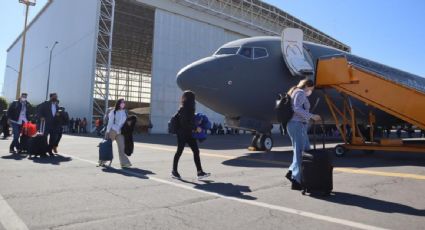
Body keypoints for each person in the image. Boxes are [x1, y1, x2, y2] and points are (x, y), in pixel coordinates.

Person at [285, 79, 321, 190]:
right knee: (301, 152)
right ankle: (297, 180)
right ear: (307, 86)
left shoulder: (294, 91)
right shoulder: (300, 92)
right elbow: (296, 108)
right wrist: (312, 116)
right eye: (311, 89)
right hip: (297, 125)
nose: (311, 91)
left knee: (303, 150)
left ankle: (292, 172)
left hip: (296, 125)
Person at [171, 91, 210, 180]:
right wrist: (196, 128)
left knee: (196, 151)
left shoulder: (187, 108)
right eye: (194, 98)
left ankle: (200, 172)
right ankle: (174, 171)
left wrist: (196, 123)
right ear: (191, 99)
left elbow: (188, 121)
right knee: (179, 151)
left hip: (188, 133)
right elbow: (185, 123)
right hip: (182, 134)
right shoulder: (186, 108)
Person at [104, 99, 132, 168]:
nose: (123, 104)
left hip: (120, 132)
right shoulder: (113, 112)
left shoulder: (124, 112)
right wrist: (107, 132)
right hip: (112, 131)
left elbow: (125, 122)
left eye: (124, 103)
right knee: (107, 146)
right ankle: (102, 160)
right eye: (122, 103)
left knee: (122, 148)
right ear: (118, 103)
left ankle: (124, 163)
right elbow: (110, 122)